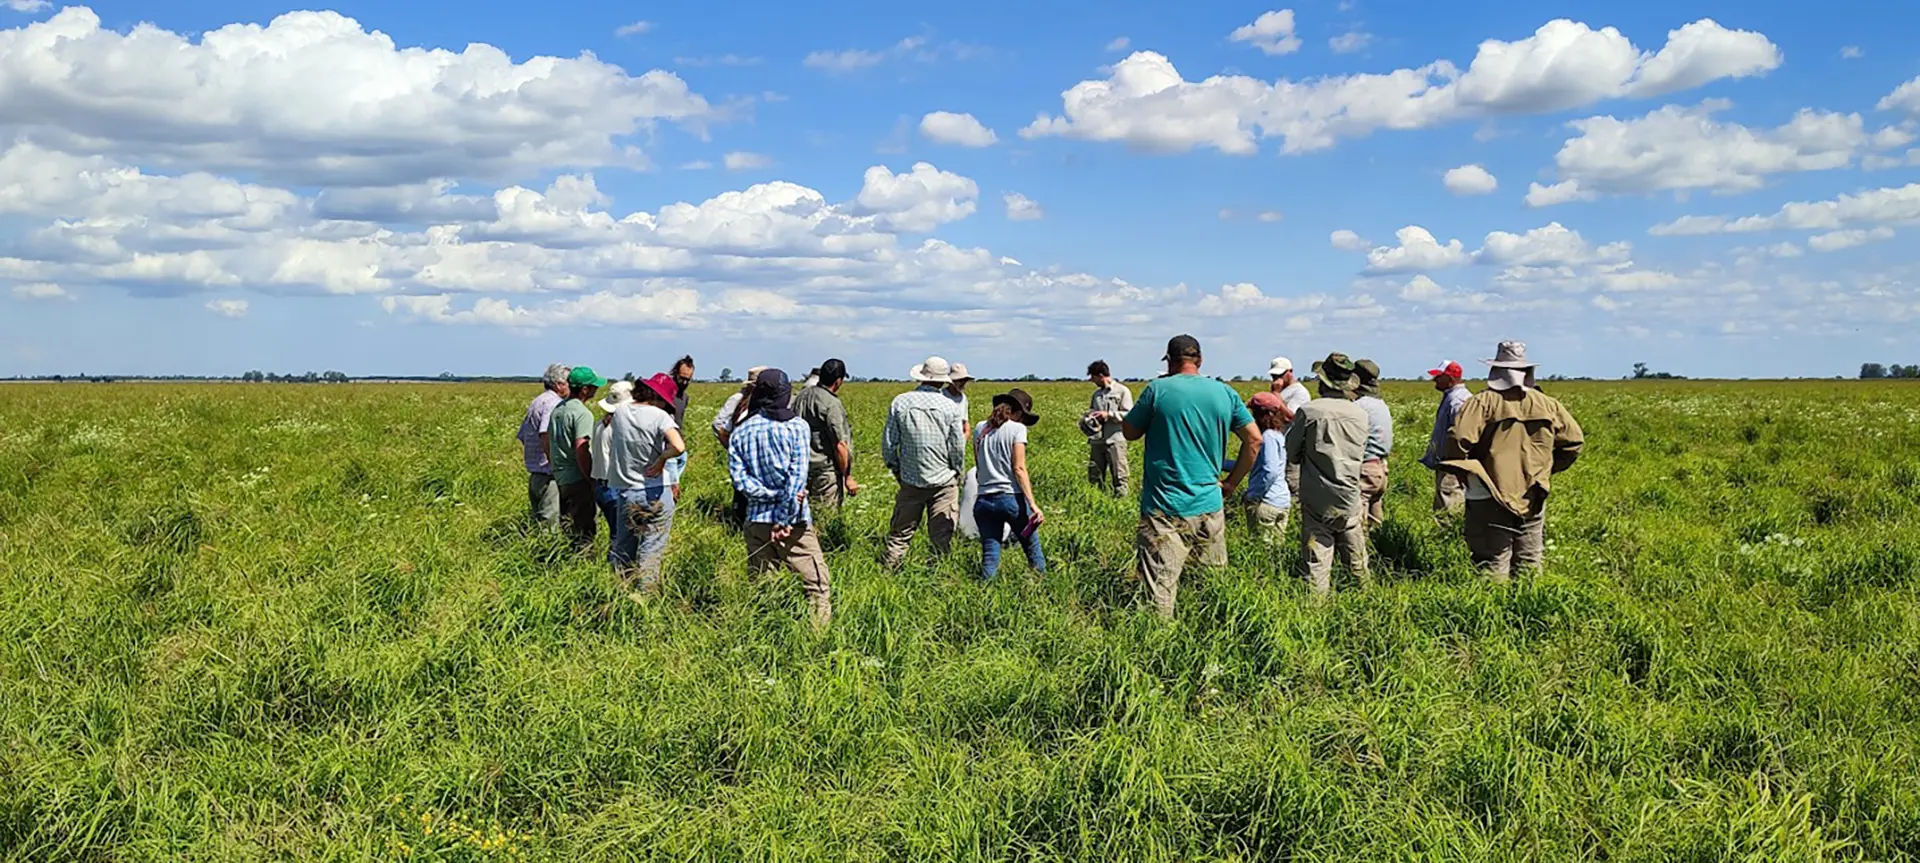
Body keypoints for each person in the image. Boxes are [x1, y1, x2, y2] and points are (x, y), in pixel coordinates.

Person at [1122, 335, 1261, 617]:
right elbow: (1254, 441)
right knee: (1210, 586)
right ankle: (1212, 641)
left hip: (1164, 507)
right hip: (1210, 504)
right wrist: (1232, 482)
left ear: (1170, 361)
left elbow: (1129, 432)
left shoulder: (1157, 390)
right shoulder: (1225, 393)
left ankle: (1160, 648)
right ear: (1199, 360)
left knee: (1161, 589)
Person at [1440, 341, 1584, 583]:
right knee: (1529, 559)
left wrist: (1462, 469)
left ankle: (1492, 614)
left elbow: (1457, 439)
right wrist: (1544, 471)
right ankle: (1528, 611)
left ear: (1496, 370)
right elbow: (1573, 443)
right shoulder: (1548, 404)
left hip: (1489, 490)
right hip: (1533, 490)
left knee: (1492, 558)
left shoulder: (1483, 402)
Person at [728, 368, 833, 628]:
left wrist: (767, 497)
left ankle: (766, 634)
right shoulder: (797, 427)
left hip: (756, 519)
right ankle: (817, 638)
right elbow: (797, 479)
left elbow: (740, 482)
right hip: (793, 521)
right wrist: (784, 517)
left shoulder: (741, 432)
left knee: (763, 585)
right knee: (816, 585)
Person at [1287, 353, 1371, 597]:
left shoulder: (1309, 411)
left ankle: (1315, 613)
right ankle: (1367, 601)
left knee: (1317, 560)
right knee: (1356, 557)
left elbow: (1292, 453)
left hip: (1317, 494)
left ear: (1323, 382)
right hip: (1349, 493)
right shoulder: (1360, 414)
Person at [881, 356, 967, 568]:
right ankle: (939, 577)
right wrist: (959, 473)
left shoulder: (900, 402)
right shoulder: (950, 406)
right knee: (941, 536)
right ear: (942, 381)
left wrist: (896, 469)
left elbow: (889, 443)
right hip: (944, 480)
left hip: (910, 478)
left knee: (900, 534)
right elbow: (957, 446)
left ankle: (890, 572)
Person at [605, 373, 687, 595]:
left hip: (627, 492)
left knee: (624, 548)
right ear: (659, 398)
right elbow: (679, 447)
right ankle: (646, 597)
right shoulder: (660, 417)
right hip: (656, 493)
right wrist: (661, 459)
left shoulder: (620, 412)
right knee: (651, 550)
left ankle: (619, 595)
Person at [972, 388, 1045, 581]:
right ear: (1019, 413)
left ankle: (986, 594)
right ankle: (1042, 587)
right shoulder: (1017, 429)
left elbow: (978, 465)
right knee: (1032, 548)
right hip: (1011, 497)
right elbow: (1019, 468)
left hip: (983, 500)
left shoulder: (980, 428)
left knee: (990, 555)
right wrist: (1033, 504)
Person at [548, 366, 605, 553]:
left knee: (568, 527)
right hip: (578, 478)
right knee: (584, 532)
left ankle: (566, 562)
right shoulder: (582, 413)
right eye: (594, 386)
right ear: (584, 389)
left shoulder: (558, 410)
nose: (597, 390)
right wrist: (591, 479)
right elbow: (581, 448)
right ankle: (582, 567)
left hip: (561, 477)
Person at [792, 358, 860, 509]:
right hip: (824, 470)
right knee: (825, 515)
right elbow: (840, 444)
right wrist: (847, 477)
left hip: (800, 467)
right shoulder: (831, 403)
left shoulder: (801, 396)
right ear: (838, 381)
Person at [1231, 391, 1292, 542]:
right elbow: (1256, 465)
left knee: (1261, 546)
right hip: (1282, 500)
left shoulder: (1267, 437)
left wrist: (1254, 495)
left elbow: (1270, 470)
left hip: (1266, 502)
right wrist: (1221, 464)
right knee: (1276, 550)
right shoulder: (1278, 435)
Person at [516, 363, 569, 526]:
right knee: (550, 524)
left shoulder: (538, 401)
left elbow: (522, 436)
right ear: (559, 384)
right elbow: (545, 433)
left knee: (540, 521)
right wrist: (553, 462)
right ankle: (547, 551)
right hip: (549, 476)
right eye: (569, 383)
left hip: (536, 474)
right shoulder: (553, 403)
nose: (571, 387)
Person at [1421, 360, 1473, 515]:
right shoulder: (1452, 397)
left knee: (1450, 508)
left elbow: (1463, 435)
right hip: (1447, 464)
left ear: (1450, 379)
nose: (1434, 380)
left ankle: (1449, 537)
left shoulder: (1457, 401)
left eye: (1439, 376)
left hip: (1453, 466)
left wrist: (1456, 463)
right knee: (1443, 505)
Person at [1352, 359, 1394, 528]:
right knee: (1375, 519)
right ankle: (1381, 549)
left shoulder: (1359, 406)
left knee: (1358, 524)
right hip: (1381, 468)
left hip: (1366, 468)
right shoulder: (1380, 405)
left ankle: (1362, 553)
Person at [1084, 360, 1134, 496]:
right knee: (1095, 475)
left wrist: (1109, 415)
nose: (1092, 381)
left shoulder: (1122, 391)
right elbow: (1092, 410)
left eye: (1093, 377)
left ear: (1101, 375)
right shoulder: (1096, 395)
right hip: (1097, 440)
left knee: (1119, 475)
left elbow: (1129, 414)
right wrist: (1089, 417)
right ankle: (1096, 500)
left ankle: (1120, 503)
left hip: (1115, 440)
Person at [591, 380, 634, 539]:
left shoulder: (600, 424)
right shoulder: (619, 427)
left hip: (600, 486)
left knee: (616, 535)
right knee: (621, 537)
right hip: (614, 487)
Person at [1268, 357, 1310, 500]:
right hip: (1278, 444)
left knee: (1292, 482)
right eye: (1274, 376)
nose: (1276, 379)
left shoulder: (1299, 393)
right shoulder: (1280, 390)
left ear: (1290, 372)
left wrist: (1276, 395)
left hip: (1291, 445)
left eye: (1280, 375)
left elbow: (1290, 417)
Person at [945, 363, 974, 438]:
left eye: (965, 380)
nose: (963, 383)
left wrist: (965, 436)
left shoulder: (963, 398)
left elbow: (965, 421)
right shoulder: (942, 395)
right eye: (960, 380)